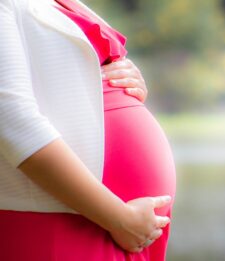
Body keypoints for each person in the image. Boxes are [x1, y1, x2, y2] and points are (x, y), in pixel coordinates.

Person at [0, 0, 176, 260]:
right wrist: (118, 218)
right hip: (66, 222)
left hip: (115, 223)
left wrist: (126, 79)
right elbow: (11, 118)